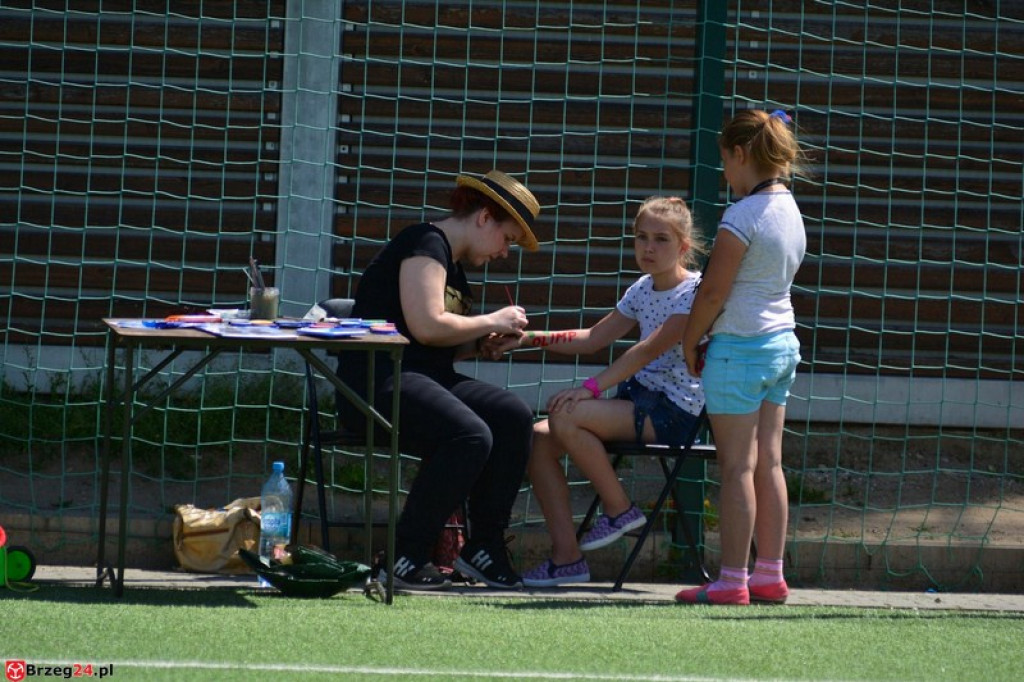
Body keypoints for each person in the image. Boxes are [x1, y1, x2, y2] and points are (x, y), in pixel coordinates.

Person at [335, 170, 541, 591]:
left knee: (513, 416)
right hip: (378, 382)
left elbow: (433, 345)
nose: (505, 253)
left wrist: (482, 342)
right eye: (508, 238)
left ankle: (483, 549)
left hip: (422, 377)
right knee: (470, 434)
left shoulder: (457, 269)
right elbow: (426, 326)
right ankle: (403, 556)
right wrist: (491, 319)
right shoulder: (424, 242)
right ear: (485, 217)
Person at [501, 196, 706, 587]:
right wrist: (526, 338)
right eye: (641, 237)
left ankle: (620, 510)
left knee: (566, 412)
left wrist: (590, 389)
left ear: (683, 247)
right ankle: (567, 560)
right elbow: (594, 338)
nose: (648, 247)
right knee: (537, 439)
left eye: (661, 240)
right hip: (636, 403)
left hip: (674, 413)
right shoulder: (643, 287)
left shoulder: (695, 293)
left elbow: (646, 350)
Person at [675, 109, 806, 605]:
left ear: (740, 153)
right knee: (769, 463)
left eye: (724, 162)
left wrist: (690, 341)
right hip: (781, 346)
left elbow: (712, 293)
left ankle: (732, 581)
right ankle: (769, 574)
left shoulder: (742, 216)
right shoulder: (790, 208)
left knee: (735, 468)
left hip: (740, 352)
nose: (724, 174)